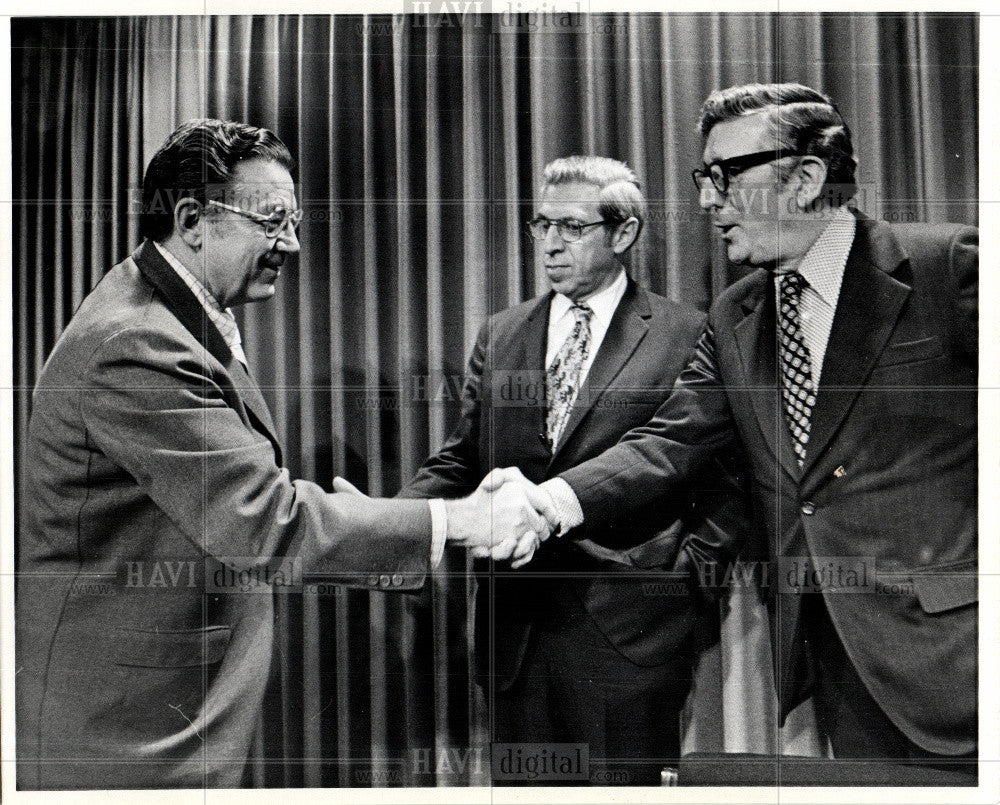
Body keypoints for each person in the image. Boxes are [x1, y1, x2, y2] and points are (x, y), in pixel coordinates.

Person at [15, 119, 553, 790]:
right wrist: (464, 519)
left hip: (155, 714)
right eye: (272, 222)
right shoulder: (135, 343)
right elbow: (266, 519)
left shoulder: (171, 313)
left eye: (293, 221)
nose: (292, 243)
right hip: (124, 736)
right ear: (191, 220)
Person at [505, 84, 977, 775]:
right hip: (843, 665)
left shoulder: (946, 268)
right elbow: (670, 440)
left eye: (725, 175)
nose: (705, 200)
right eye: (704, 178)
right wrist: (544, 504)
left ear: (809, 177)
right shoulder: (736, 314)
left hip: (965, 654)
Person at [396, 156, 746, 785]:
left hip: (630, 639)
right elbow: (461, 459)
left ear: (624, 233)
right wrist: (386, 526)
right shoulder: (502, 334)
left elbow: (719, 486)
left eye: (572, 227)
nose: (551, 243)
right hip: (515, 638)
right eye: (541, 225)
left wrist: (685, 594)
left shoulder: (687, 333)